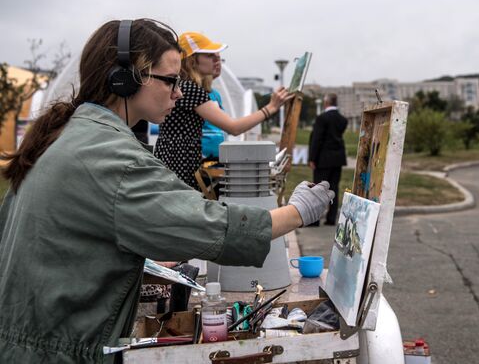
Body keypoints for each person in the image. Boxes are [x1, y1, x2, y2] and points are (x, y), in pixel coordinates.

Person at [0, 19, 333, 363]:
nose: (178, 92)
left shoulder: (69, 136)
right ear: (127, 78)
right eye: (171, 80)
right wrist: (298, 212)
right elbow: (211, 226)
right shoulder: (108, 155)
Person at [155, 31, 292, 190]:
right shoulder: (190, 89)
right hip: (181, 161)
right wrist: (271, 108)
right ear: (192, 60)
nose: (216, 60)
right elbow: (233, 127)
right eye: (210, 56)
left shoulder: (183, 86)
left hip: (174, 157)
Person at [308, 93, 348, 226]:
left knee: (319, 189)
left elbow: (317, 139)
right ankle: (331, 218)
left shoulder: (322, 118)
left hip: (323, 159)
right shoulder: (342, 119)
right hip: (337, 158)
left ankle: (315, 219)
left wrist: (312, 158)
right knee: (334, 188)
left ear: (326, 103)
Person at [201, 52, 225, 160]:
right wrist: (268, 110)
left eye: (219, 59)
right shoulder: (195, 92)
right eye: (213, 58)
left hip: (217, 156)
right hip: (201, 157)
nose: (217, 63)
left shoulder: (216, 94)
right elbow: (233, 127)